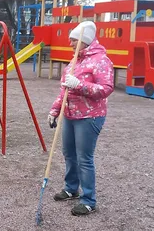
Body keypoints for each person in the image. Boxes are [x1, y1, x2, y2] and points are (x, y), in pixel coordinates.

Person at [47, 21, 114, 216]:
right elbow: (64, 90)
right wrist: (55, 110)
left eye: (73, 40)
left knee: (84, 158)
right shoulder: (74, 61)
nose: (70, 43)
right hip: (70, 115)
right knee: (69, 154)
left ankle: (88, 200)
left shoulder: (101, 60)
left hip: (89, 116)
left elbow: (105, 89)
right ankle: (71, 188)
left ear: (84, 41)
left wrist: (80, 84)